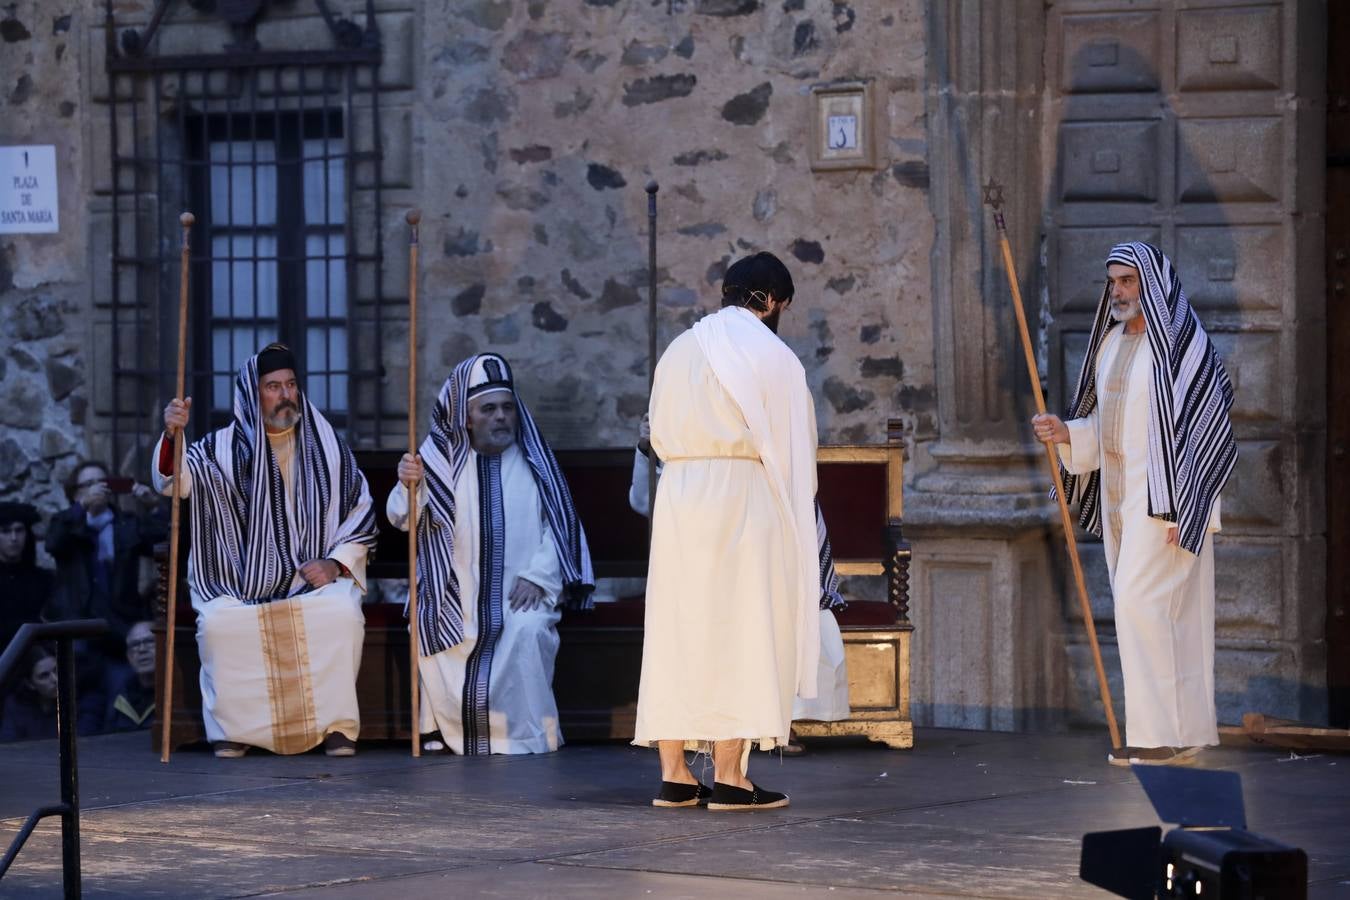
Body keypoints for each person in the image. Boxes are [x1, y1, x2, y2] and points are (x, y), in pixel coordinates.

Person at [1032, 242, 1236, 767]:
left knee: (1141, 608)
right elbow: (1110, 429)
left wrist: (1190, 508)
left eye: (1129, 281)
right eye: (1114, 282)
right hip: (1125, 506)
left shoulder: (1185, 345)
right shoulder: (1109, 347)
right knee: (1159, 616)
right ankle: (1184, 731)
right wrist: (1067, 433)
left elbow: (1207, 432)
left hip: (1167, 507)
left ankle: (1157, 736)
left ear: (1152, 282)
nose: (1119, 291)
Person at [634, 251, 820, 810]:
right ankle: (731, 777)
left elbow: (655, 432)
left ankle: (674, 775)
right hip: (743, 495)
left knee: (680, 629)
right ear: (767, 301)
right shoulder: (773, 354)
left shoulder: (678, 348)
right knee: (742, 628)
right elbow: (796, 448)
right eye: (780, 305)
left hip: (681, 496)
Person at [153, 343, 378, 758]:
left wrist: (335, 563)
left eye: (291, 384)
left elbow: (361, 510)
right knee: (221, 624)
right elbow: (173, 482)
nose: (285, 394)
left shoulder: (326, 446)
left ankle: (335, 729)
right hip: (237, 584)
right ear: (252, 395)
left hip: (308, 586)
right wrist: (173, 435)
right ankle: (236, 732)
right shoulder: (217, 450)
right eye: (273, 386)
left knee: (342, 613)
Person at [388, 353, 594, 755]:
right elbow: (402, 520)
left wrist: (539, 576)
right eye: (488, 409)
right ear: (466, 418)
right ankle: (444, 729)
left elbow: (562, 527)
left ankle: (529, 735)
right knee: (432, 627)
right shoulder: (438, 460)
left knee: (527, 631)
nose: (501, 417)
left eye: (507, 408)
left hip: (522, 593)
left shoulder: (536, 464)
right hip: (456, 595)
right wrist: (408, 485)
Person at [628, 415, 850, 754]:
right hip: (703, 556)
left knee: (765, 616)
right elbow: (647, 501)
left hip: (757, 541)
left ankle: (774, 725)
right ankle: (707, 732)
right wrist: (647, 446)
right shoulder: (688, 453)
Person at [44, 461, 165, 649]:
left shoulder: (128, 523)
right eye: (89, 484)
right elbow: (53, 543)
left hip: (121, 624)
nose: (97, 488)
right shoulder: (66, 523)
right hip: (78, 626)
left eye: (102, 482)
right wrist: (82, 505)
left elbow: (168, 541)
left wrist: (154, 507)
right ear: (75, 493)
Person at [0, 501, 51, 654]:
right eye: (6, 531)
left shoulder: (44, 579)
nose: (14, 538)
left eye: (19, 530)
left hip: (42, 656)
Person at [102, 621, 157, 732]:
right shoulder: (119, 697)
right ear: (128, 656)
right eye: (135, 645)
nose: (142, 649)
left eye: (150, 641)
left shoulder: (177, 698)